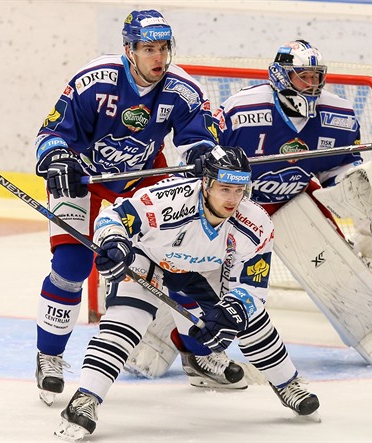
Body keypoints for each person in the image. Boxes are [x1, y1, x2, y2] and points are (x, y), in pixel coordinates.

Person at [128, 40, 372, 375]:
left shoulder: (339, 115)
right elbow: (205, 159)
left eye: (315, 76)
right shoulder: (242, 110)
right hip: (233, 207)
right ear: (280, 76)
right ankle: (150, 342)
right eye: (301, 76)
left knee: (333, 266)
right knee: (189, 267)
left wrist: (354, 181)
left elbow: (336, 168)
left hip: (291, 201)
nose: (310, 84)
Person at [54, 145, 320, 441]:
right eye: (225, 188)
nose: (233, 199)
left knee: (250, 318)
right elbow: (113, 216)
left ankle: (288, 384)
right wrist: (115, 242)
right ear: (206, 183)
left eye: (239, 189)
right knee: (126, 321)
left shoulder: (256, 224)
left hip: (201, 271)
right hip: (148, 259)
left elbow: (252, 289)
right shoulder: (167, 200)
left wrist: (231, 311)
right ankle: (85, 398)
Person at [32, 9, 224, 406]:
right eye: (148, 49)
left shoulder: (181, 89)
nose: (159, 58)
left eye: (163, 49)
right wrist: (57, 160)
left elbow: (199, 142)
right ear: (128, 50)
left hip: (140, 182)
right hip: (83, 180)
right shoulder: (94, 80)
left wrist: (207, 156)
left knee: (179, 260)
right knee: (71, 268)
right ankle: (49, 357)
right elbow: (51, 134)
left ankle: (197, 353)